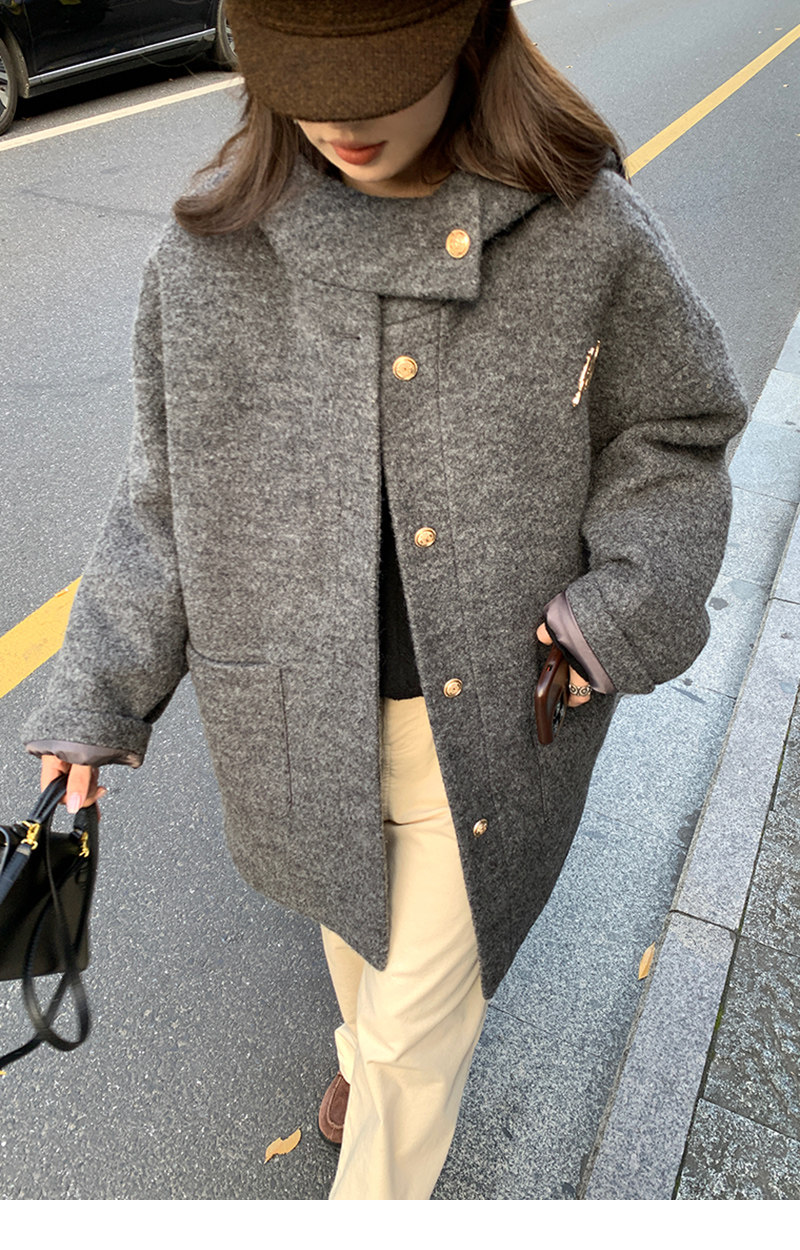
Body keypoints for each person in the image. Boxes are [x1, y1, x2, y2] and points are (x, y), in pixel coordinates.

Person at [22, 0, 748, 1201]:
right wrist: (97, 693)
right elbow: (166, 499)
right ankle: (362, 1057)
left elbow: (675, 425)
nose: (341, 115)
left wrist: (616, 610)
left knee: (416, 1048)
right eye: (308, 77)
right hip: (294, 720)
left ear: (465, 37)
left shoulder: (581, 229)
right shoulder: (210, 257)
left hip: (495, 721)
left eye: (378, 72)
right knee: (355, 933)